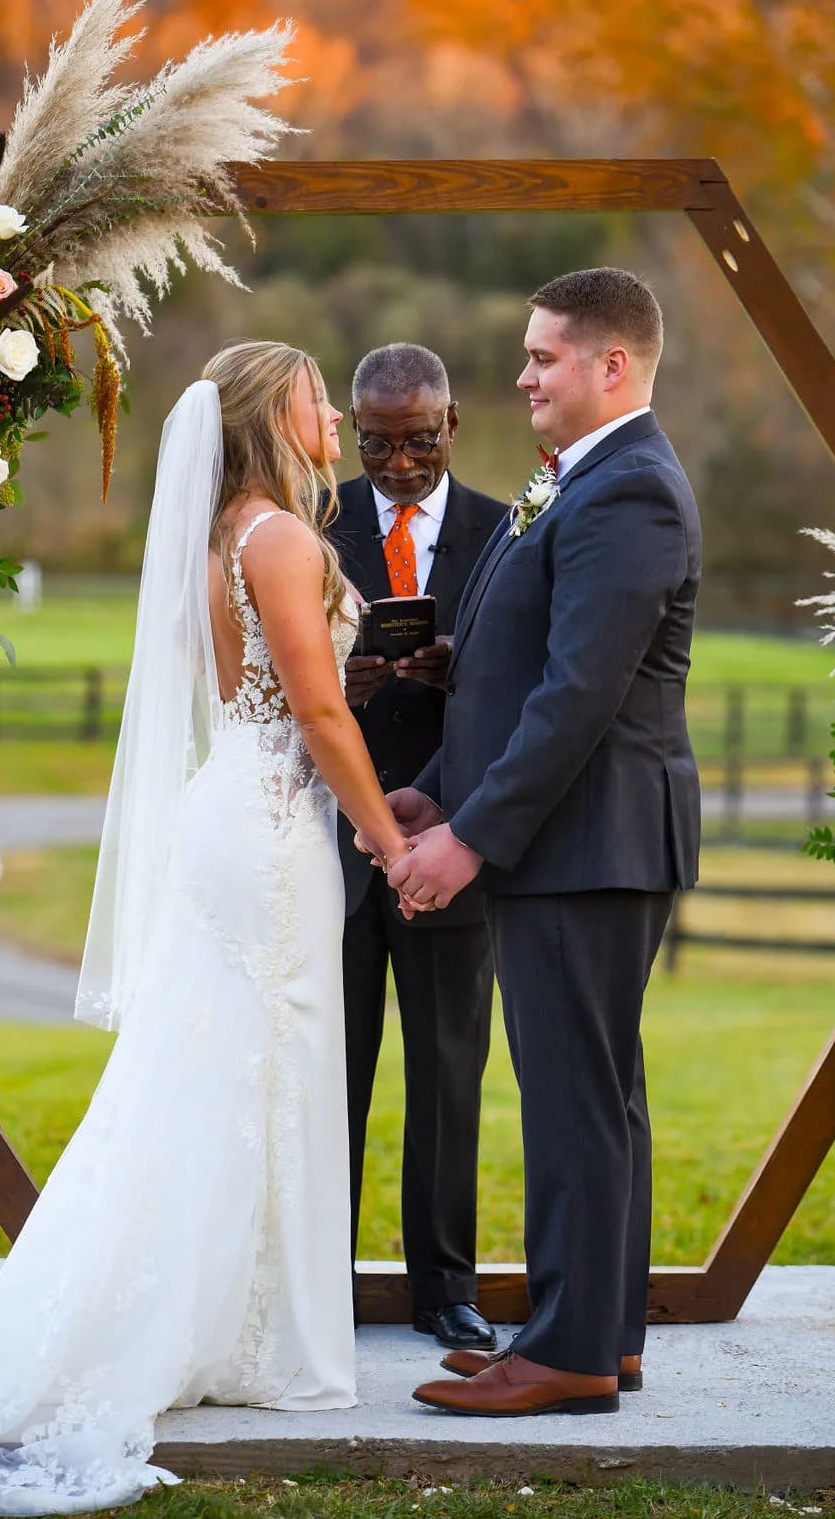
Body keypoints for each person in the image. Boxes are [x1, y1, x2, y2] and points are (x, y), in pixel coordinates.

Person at [0, 341, 414, 1512]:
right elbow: (317, 706)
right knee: (257, 1070)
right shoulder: (281, 538)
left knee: (220, 1072)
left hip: (238, 806)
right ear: (269, 417)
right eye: (314, 397)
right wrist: (389, 845)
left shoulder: (224, 535)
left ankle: (230, 1325)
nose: (333, 411)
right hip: (270, 828)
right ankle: (246, 1337)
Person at [378, 269, 702, 1416]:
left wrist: (468, 838)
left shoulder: (630, 494)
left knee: (575, 1094)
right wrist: (433, 791)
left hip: (592, 837)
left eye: (541, 357)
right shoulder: (579, 481)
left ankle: (564, 1353)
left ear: (611, 366)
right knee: (595, 1091)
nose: (519, 377)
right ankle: (600, 1332)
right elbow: (510, 669)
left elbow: (577, 698)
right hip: (574, 836)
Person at [330, 344, 506, 1350]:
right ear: (355, 430)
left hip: (450, 840)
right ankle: (325, 1283)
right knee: (332, 1076)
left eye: (417, 440)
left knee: (447, 1074)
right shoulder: (314, 524)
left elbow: (528, 677)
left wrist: (456, 681)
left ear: (452, 426)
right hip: (336, 848)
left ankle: (444, 1287)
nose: (397, 462)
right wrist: (340, 693)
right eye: (377, 441)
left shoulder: (503, 531)